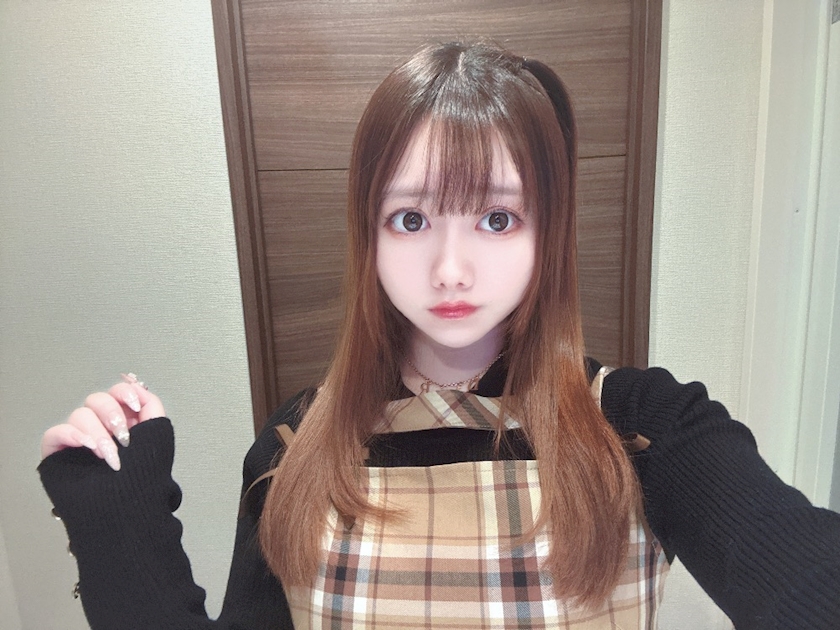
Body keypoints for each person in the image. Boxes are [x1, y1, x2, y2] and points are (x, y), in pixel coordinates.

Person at [39, 41, 840, 630]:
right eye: (411, 218)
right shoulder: (295, 445)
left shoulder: (644, 427)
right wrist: (115, 510)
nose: (451, 270)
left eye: (496, 218)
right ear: (369, 233)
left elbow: (799, 571)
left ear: (547, 231)